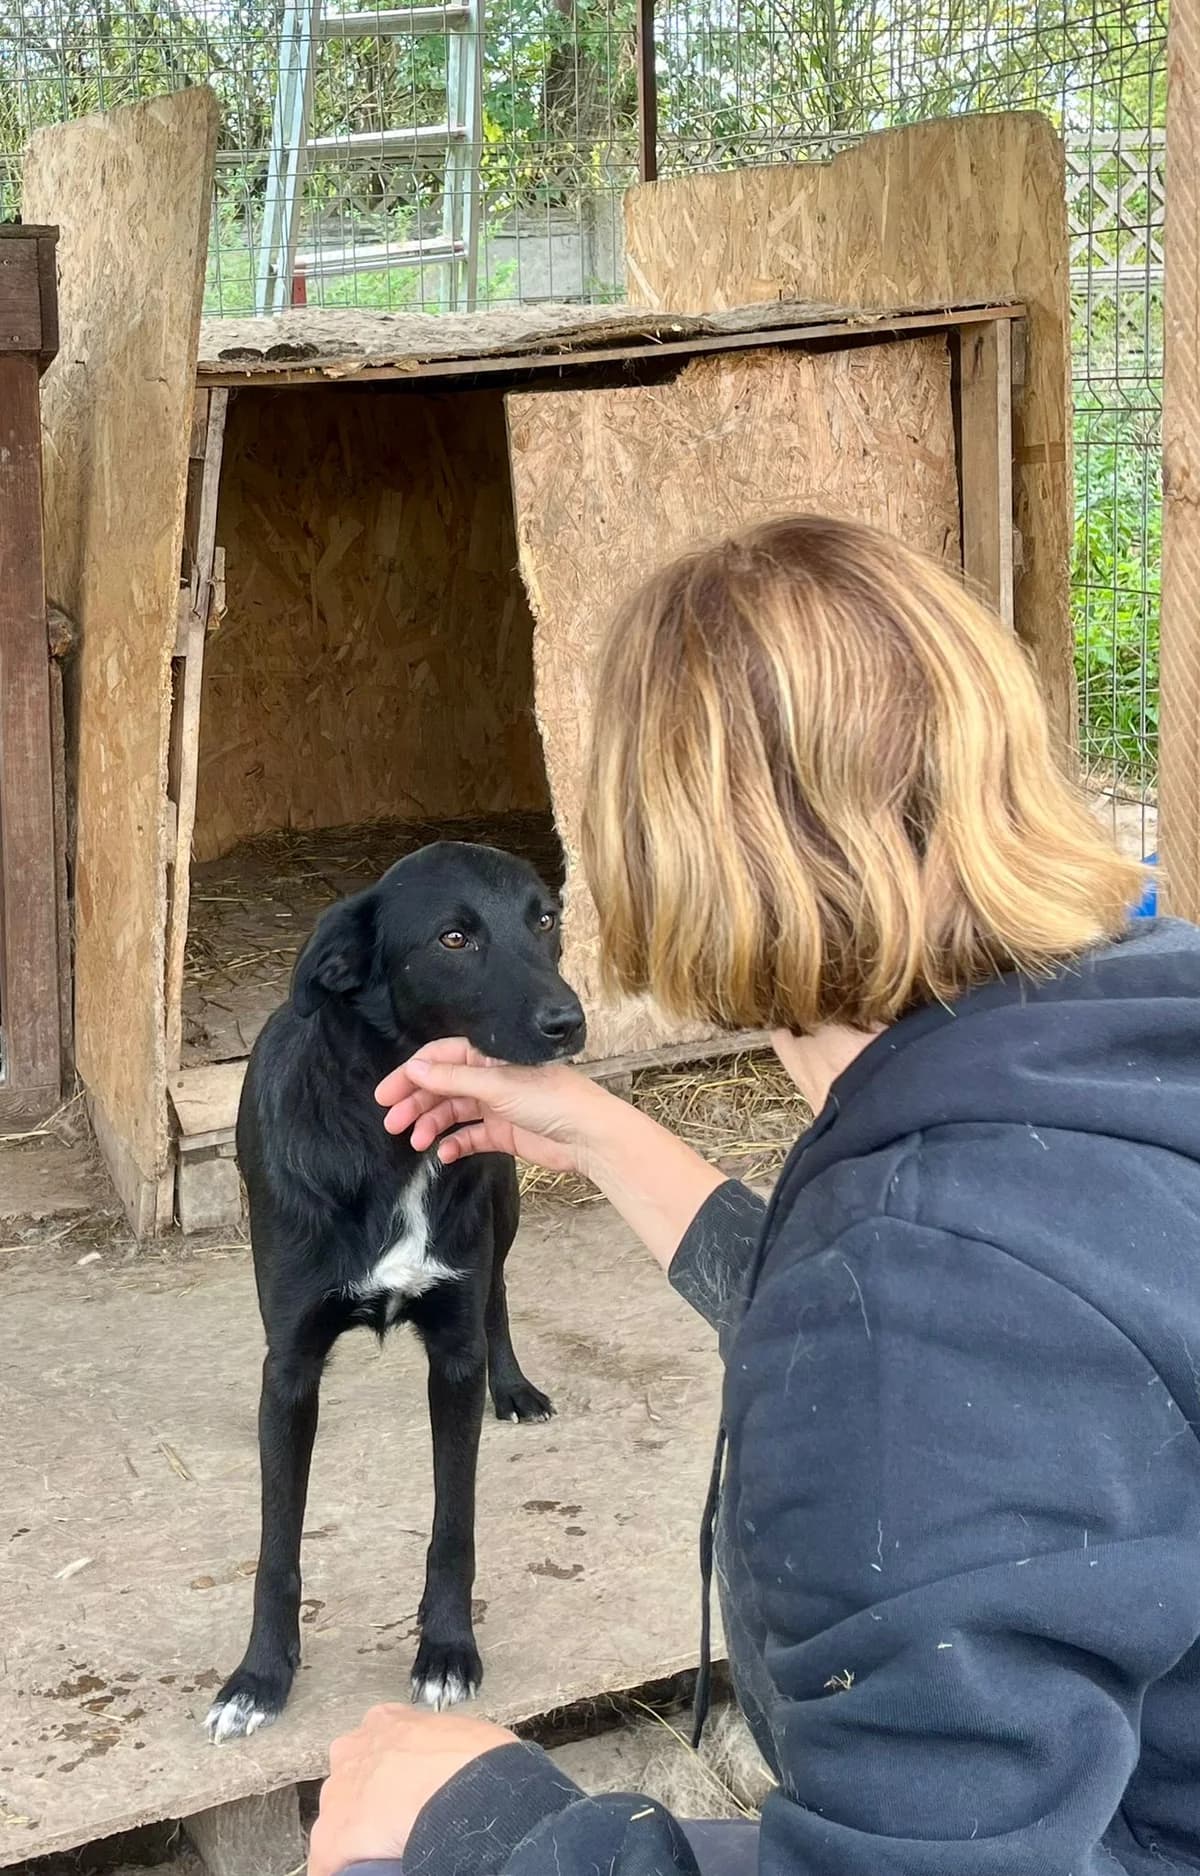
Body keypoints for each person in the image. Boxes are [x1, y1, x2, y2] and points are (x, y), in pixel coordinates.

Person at [307, 516, 1200, 1876]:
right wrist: (611, 1139)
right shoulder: (1134, 1040)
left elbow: (924, 1321)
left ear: (668, 860)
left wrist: (497, 1835)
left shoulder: (911, 1298)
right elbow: (1013, 1318)